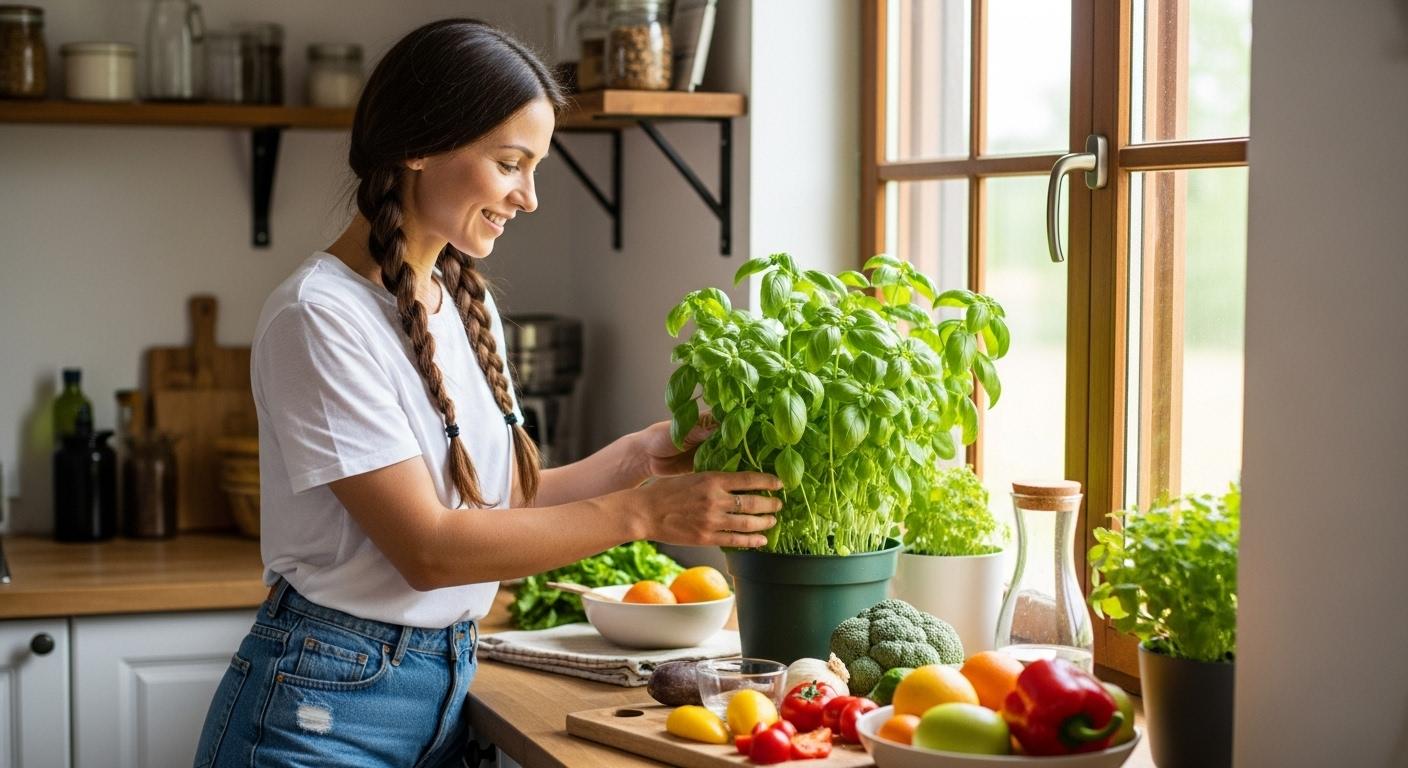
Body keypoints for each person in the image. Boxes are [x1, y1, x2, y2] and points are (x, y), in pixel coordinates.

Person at [192, 19, 779, 768]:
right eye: (511, 164)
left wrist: (641, 456)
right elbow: (430, 550)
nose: (528, 197)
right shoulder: (319, 316)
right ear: (417, 146)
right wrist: (642, 513)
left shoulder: (459, 299)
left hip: (441, 695)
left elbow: (495, 502)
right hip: (322, 710)